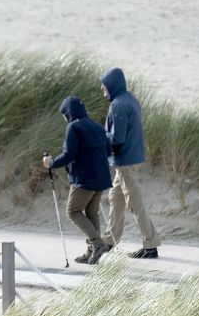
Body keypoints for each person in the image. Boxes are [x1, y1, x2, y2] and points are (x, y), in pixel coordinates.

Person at [42, 96, 113, 265]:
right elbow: (109, 151)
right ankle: (91, 253)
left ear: (68, 113)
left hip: (85, 179)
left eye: (64, 115)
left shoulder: (73, 127)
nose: (64, 119)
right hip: (102, 178)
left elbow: (69, 155)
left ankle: (98, 244)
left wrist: (50, 163)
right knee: (91, 212)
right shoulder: (96, 126)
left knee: (72, 211)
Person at [99, 67, 161, 259]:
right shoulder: (130, 99)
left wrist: (98, 137)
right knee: (115, 199)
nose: (102, 90)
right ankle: (109, 240)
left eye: (104, 86)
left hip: (125, 161)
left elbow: (117, 138)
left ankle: (150, 245)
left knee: (135, 203)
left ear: (111, 85)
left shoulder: (118, 105)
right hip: (129, 159)